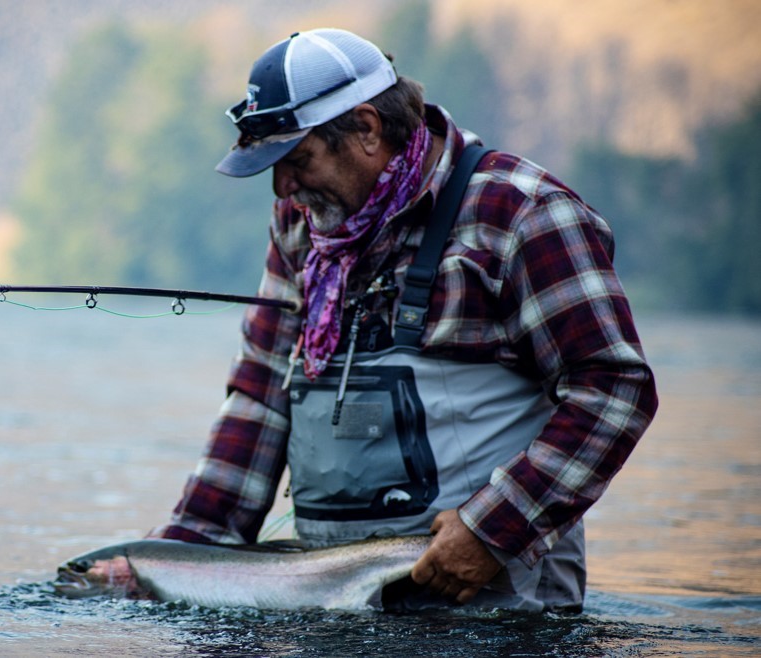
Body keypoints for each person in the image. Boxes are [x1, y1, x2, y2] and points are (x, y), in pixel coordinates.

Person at [95, 28, 658, 612]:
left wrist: (494, 530)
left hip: (496, 605)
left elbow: (614, 389)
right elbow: (260, 398)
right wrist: (176, 559)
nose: (282, 186)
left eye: (296, 159)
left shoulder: (521, 214)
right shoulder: (299, 226)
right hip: (333, 606)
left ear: (366, 128)